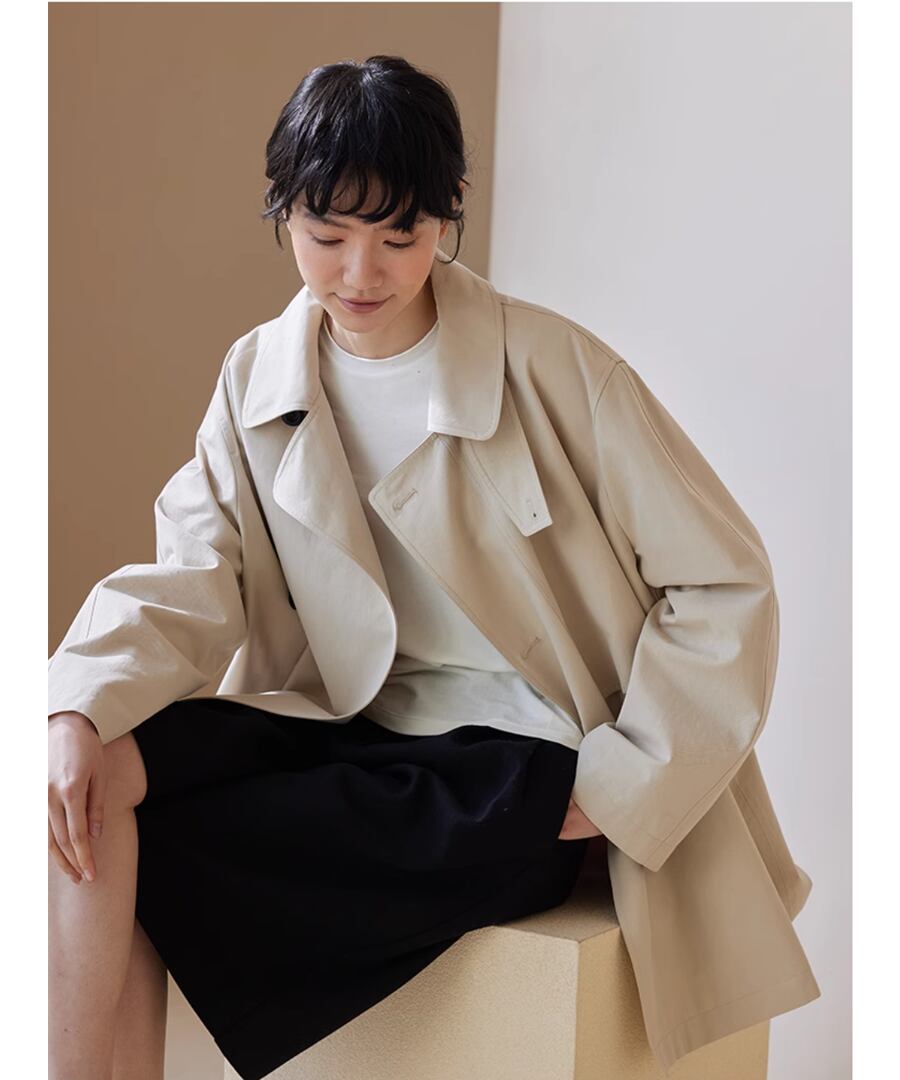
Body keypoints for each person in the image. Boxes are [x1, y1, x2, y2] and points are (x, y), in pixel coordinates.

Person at [49, 54, 819, 1080]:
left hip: (521, 757)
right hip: (356, 727)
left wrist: (619, 787)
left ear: (449, 212)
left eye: (399, 236)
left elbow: (725, 583)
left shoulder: (558, 370)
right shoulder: (258, 378)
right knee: (94, 777)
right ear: (283, 211)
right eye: (327, 236)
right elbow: (197, 571)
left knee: (202, 841)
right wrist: (77, 706)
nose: (359, 274)